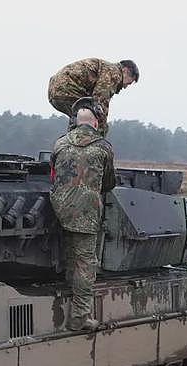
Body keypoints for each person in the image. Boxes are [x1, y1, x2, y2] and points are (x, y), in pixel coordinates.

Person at [49, 97, 116, 331]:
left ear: (75, 122)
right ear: (96, 122)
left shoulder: (59, 143)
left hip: (58, 208)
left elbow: (53, 171)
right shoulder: (103, 147)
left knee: (69, 256)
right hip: (85, 212)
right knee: (86, 265)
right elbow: (109, 182)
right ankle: (79, 318)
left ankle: (66, 294)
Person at [48, 58, 139, 135]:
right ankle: (80, 145)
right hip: (67, 89)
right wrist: (101, 134)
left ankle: (70, 144)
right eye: (129, 82)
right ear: (125, 71)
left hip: (55, 91)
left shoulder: (106, 68)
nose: (125, 86)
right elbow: (100, 102)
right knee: (88, 116)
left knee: (81, 118)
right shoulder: (113, 73)